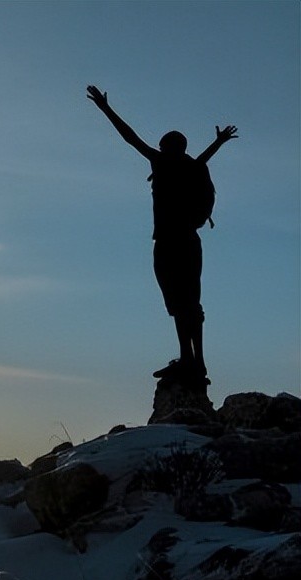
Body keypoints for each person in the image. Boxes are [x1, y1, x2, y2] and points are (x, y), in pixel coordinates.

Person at [86, 85, 236, 384]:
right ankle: (195, 361)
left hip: (169, 242)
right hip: (191, 241)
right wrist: (218, 142)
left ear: (166, 147)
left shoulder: (163, 163)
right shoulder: (192, 167)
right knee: (190, 301)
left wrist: (105, 108)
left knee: (180, 303)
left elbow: (130, 137)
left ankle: (189, 360)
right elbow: (202, 159)